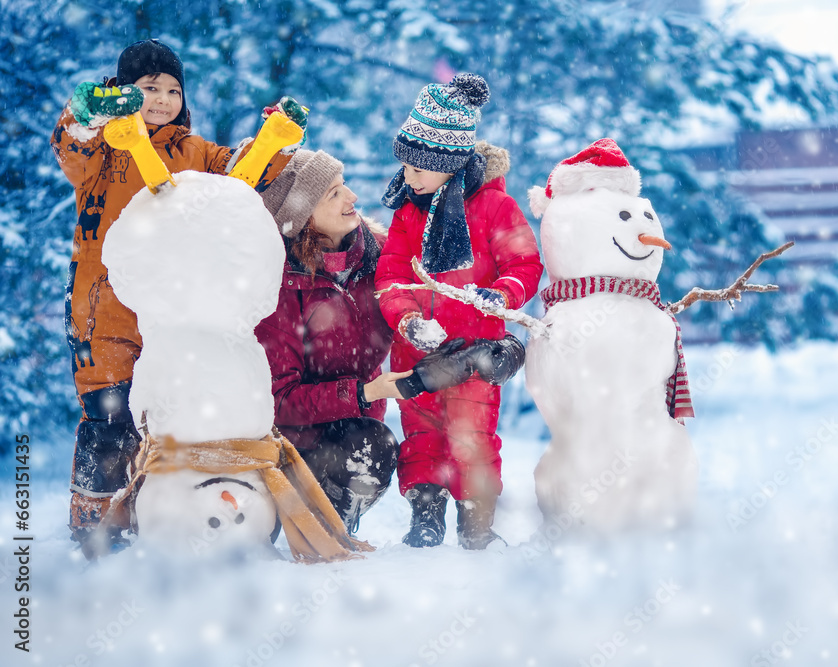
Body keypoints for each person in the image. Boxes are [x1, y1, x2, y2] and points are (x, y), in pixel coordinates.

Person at [51, 38, 300, 555]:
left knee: (168, 415)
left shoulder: (194, 151)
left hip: (172, 309)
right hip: (104, 307)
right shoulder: (103, 150)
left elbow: (240, 176)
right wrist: (87, 112)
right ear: (124, 92)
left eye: (171, 89)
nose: (162, 99)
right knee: (109, 414)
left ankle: (153, 515)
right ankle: (93, 521)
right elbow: (70, 146)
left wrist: (275, 142)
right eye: (148, 89)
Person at [375, 73, 544, 549]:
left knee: (473, 439)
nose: (408, 178)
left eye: (418, 169)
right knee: (421, 435)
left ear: (448, 163)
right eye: (405, 167)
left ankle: (477, 523)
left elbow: (524, 262)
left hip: (474, 355)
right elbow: (390, 275)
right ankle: (425, 515)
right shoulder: (408, 212)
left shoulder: (494, 208)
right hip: (418, 354)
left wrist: (504, 294)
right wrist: (407, 319)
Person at [254, 149, 411, 535]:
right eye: (333, 194)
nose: (352, 198)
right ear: (303, 217)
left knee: (373, 444)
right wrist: (362, 392)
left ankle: (333, 524)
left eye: (345, 187)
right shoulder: (280, 285)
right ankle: (288, 509)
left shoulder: (381, 254)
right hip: (287, 446)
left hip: (354, 434)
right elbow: (278, 400)